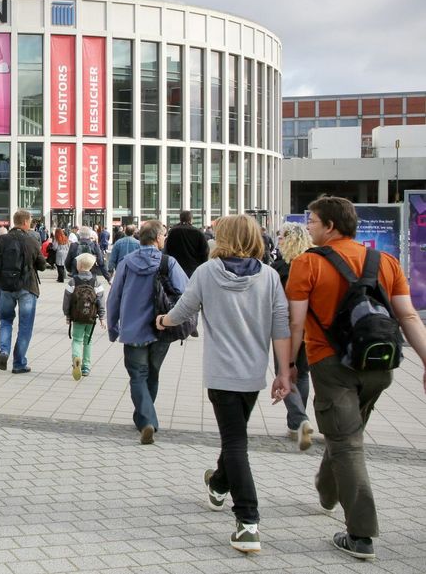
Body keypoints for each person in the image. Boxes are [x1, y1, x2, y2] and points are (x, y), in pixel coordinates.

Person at [286, 196, 426, 561]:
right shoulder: (385, 262)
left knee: (346, 441)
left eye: (312, 221)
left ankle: (360, 535)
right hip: (380, 364)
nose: (309, 226)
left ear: (330, 226)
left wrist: (287, 366)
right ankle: (327, 490)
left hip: (331, 364)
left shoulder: (307, 264)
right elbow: (409, 317)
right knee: (346, 431)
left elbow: (295, 323)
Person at [156, 214, 292, 553]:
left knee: (235, 443)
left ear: (224, 238)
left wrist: (162, 320)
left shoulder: (206, 273)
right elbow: (281, 327)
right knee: (236, 438)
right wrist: (284, 372)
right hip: (252, 375)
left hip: (220, 373)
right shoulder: (271, 277)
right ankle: (218, 484)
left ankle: (247, 522)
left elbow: (184, 309)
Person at [106, 220, 189, 444]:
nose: (165, 238)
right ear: (157, 238)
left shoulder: (126, 262)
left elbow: (114, 297)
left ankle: (145, 419)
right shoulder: (168, 263)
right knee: (152, 373)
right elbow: (186, 292)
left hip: (133, 331)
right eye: (163, 235)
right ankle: (145, 419)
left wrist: (113, 328)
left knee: (137, 376)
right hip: (161, 329)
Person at [270, 222, 314, 450]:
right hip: (311, 329)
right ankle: (297, 421)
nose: (277, 240)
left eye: (280, 237)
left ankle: (299, 419)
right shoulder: (313, 262)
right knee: (303, 373)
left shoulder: (280, 267)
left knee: (285, 371)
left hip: (285, 329)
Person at [0, 209, 47, 374]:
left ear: (14, 222)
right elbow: (42, 265)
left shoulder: (1, 240)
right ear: (26, 222)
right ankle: (19, 362)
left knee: (6, 321)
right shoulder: (32, 241)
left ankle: (4, 350)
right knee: (25, 326)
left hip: (5, 287)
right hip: (27, 287)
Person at [64, 253, 105, 380]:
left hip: (77, 316)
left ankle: (76, 358)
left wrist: (67, 315)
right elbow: (101, 300)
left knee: (77, 339)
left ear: (79, 266)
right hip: (91, 317)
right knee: (88, 340)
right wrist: (102, 317)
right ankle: (86, 366)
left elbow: (67, 300)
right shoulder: (96, 282)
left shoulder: (72, 281)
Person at [163, 210, 210, 278]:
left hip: (175, 266)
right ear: (191, 219)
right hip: (193, 268)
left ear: (180, 218)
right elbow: (205, 251)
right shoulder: (197, 232)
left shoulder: (172, 231)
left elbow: (167, 249)